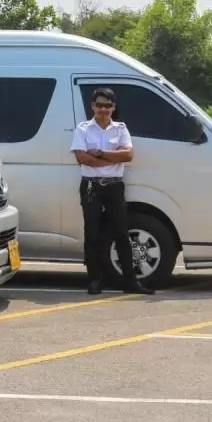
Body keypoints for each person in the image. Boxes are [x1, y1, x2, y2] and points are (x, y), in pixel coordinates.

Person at [70, 87, 155, 296]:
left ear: (113, 107)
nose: (103, 109)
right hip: (91, 186)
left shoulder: (120, 129)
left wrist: (99, 154)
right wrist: (111, 157)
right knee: (93, 233)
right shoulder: (83, 129)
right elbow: (81, 158)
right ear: (92, 106)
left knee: (121, 232)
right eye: (99, 105)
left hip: (114, 185)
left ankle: (130, 282)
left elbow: (128, 156)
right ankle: (95, 280)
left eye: (107, 106)